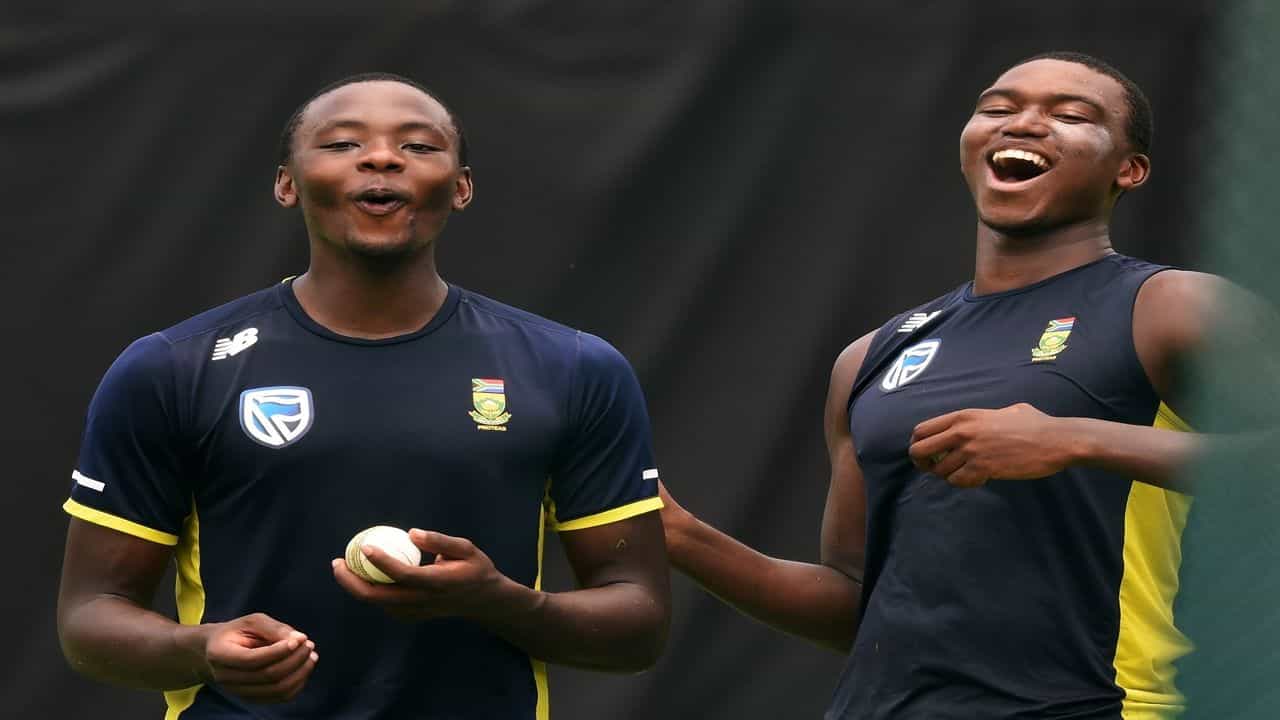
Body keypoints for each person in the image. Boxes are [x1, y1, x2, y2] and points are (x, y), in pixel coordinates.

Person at [56, 72, 670, 720]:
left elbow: (639, 624)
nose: (381, 158)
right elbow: (88, 618)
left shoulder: (572, 368)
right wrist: (203, 649)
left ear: (461, 187)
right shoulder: (172, 368)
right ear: (287, 183)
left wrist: (499, 600)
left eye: (419, 146)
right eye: (343, 143)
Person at [659, 51, 1241, 719]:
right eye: (997, 108)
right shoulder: (874, 354)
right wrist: (680, 536)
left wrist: (1074, 439)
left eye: (1071, 115)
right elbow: (854, 600)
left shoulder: (1172, 307)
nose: (1023, 123)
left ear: (1129, 169)